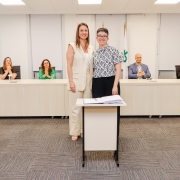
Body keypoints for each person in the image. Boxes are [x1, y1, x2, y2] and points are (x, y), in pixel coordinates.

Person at [66, 23, 93, 141]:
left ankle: (83, 130)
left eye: (86, 30)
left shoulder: (91, 47)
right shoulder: (72, 46)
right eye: (81, 30)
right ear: (78, 32)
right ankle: (75, 131)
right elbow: (69, 65)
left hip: (89, 79)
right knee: (75, 108)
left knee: (86, 107)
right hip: (76, 80)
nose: (84, 32)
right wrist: (71, 81)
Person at [92, 28, 122, 98]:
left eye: (104, 36)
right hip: (97, 83)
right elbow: (93, 70)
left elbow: (118, 69)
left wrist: (115, 86)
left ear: (107, 38)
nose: (102, 38)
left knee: (111, 107)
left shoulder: (113, 50)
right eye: (100, 36)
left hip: (111, 82)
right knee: (98, 107)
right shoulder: (94, 53)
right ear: (96, 38)